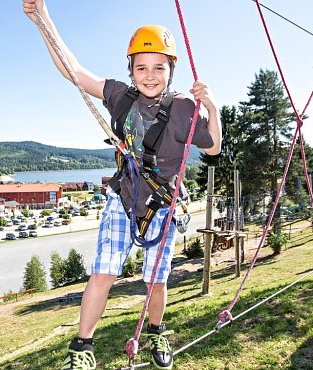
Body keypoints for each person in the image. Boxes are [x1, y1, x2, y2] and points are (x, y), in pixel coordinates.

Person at [23, 1, 222, 369]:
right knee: (104, 272)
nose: (149, 75)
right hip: (124, 198)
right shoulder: (120, 96)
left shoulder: (182, 109)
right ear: (130, 70)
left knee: (155, 281)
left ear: (170, 70)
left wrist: (213, 106)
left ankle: (157, 332)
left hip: (162, 205)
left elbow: (213, 146)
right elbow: (74, 72)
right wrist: (43, 20)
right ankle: (82, 346)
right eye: (141, 67)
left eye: (158, 67)